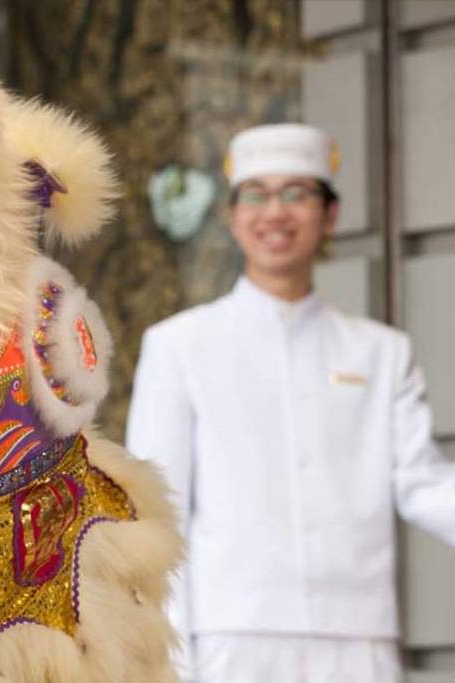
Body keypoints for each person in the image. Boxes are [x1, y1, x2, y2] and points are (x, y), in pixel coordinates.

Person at [126, 123, 455, 683]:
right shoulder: (179, 346)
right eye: (256, 195)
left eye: (296, 193)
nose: (275, 213)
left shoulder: (381, 352)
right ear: (233, 217)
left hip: (359, 638)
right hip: (231, 637)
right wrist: (171, 653)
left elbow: (422, 483)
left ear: (330, 215)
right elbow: (158, 510)